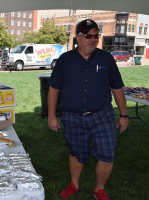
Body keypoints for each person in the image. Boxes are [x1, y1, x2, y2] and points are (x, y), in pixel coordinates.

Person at [47, 19, 129, 200]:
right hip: (72, 117)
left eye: (95, 36)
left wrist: (124, 114)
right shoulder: (65, 60)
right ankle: (74, 184)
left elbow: (117, 87)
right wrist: (52, 115)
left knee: (107, 154)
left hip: (102, 115)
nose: (92, 39)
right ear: (77, 37)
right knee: (76, 152)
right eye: (87, 36)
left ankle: (99, 189)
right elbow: (53, 88)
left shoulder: (106, 59)